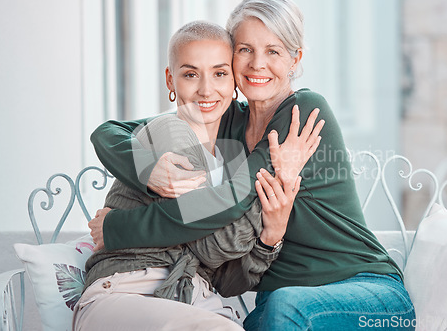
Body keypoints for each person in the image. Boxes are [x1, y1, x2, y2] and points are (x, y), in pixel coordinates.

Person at [89, 0, 416, 330]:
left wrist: (117, 228)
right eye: (245, 49)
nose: (257, 64)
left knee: (286, 309)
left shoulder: (301, 112)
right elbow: (110, 132)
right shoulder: (226, 119)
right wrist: (149, 170)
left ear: (295, 59)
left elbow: (229, 201)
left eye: (273, 51)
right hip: (278, 301)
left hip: (364, 291)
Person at [74, 21, 320, 331]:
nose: (206, 89)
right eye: (191, 74)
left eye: (219, 73)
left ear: (234, 81)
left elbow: (229, 282)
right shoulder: (169, 134)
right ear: (170, 80)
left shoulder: (230, 158)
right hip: (126, 290)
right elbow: (210, 248)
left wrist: (271, 236)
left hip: (188, 297)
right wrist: (277, 181)